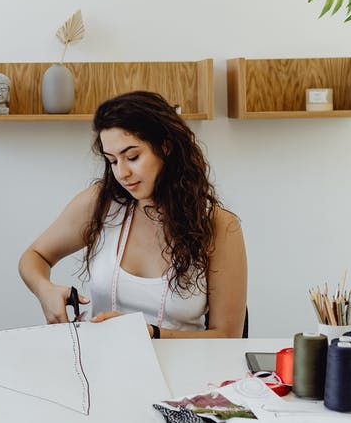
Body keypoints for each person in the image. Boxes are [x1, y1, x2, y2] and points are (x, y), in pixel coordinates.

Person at [18, 91, 247, 338]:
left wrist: (149, 333)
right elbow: (35, 256)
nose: (122, 173)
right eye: (112, 161)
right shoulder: (102, 204)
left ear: (165, 147)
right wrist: (44, 290)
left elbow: (227, 336)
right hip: (105, 366)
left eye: (132, 157)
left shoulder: (219, 225)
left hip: (187, 368)